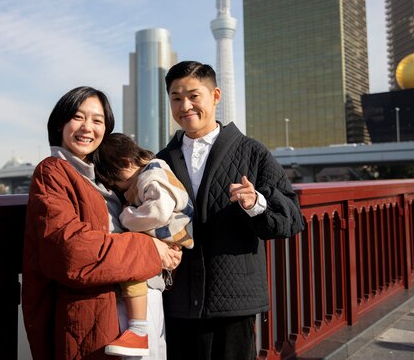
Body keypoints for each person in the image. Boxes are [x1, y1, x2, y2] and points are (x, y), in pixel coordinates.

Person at [156, 61, 305, 360]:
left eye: (194, 95)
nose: (185, 105)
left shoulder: (252, 151)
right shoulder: (161, 160)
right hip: (178, 299)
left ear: (215, 95)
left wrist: (256, 204)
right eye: (176, 97)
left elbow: (292, 218)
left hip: (234, 299)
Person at [22, 86, 183, 360]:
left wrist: (168, 251)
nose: (87, 127)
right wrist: (150, 251)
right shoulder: (53, 172)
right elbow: (71, 252)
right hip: (95, 321)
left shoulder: (105, 179)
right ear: (60, 122)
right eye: (78, 117)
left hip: (139, 312)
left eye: (97, 121)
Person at [92, 133, 194, 357]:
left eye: (120, 183)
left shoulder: (151, 175)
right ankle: (139, 330)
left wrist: (127, 216)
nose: (121, 189)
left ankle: (138, 329)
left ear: (126, 163)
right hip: (169, 236)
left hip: (169, 231)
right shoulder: (150, 172)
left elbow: (158, 211)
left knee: (133, 266)